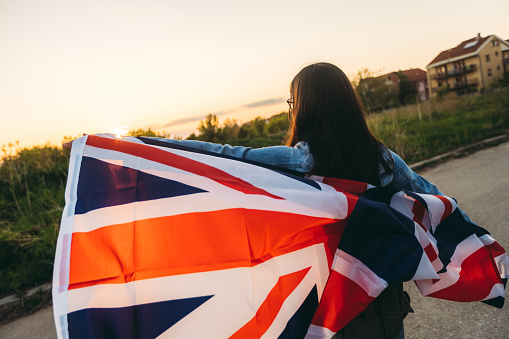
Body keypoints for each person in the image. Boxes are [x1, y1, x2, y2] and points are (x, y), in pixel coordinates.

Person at [63, 62, 467, 338]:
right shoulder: (381, 159)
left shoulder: (298, 162)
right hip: (381, 301)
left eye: (292, 103)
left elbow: (222, 155)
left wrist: (130, 147)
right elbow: (433, 199)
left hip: (322, 308)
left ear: (304, 107)